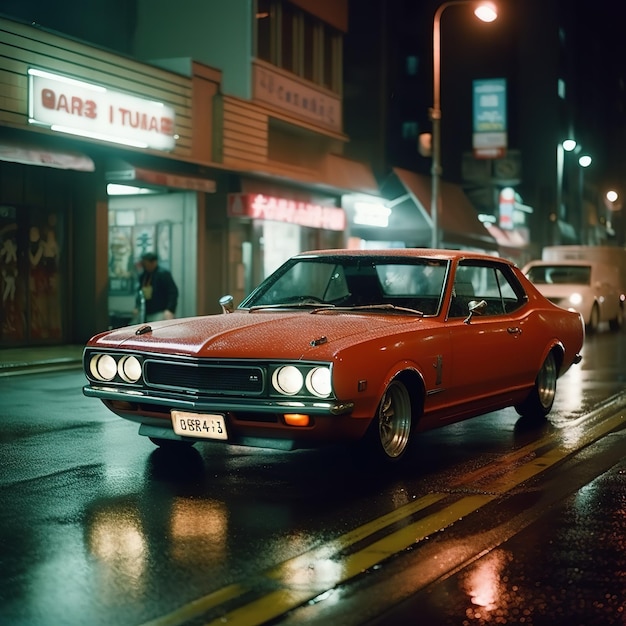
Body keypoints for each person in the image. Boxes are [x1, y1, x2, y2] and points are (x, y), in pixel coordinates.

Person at [135, 252, 178, 322]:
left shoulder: (163, 274)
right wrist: (137, 306)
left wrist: (170, 309)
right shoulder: (143, 275)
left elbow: (173, 292)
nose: (146, 266)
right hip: (146, 312)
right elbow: (139, 292)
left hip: (161, 311)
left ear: (154, 262)